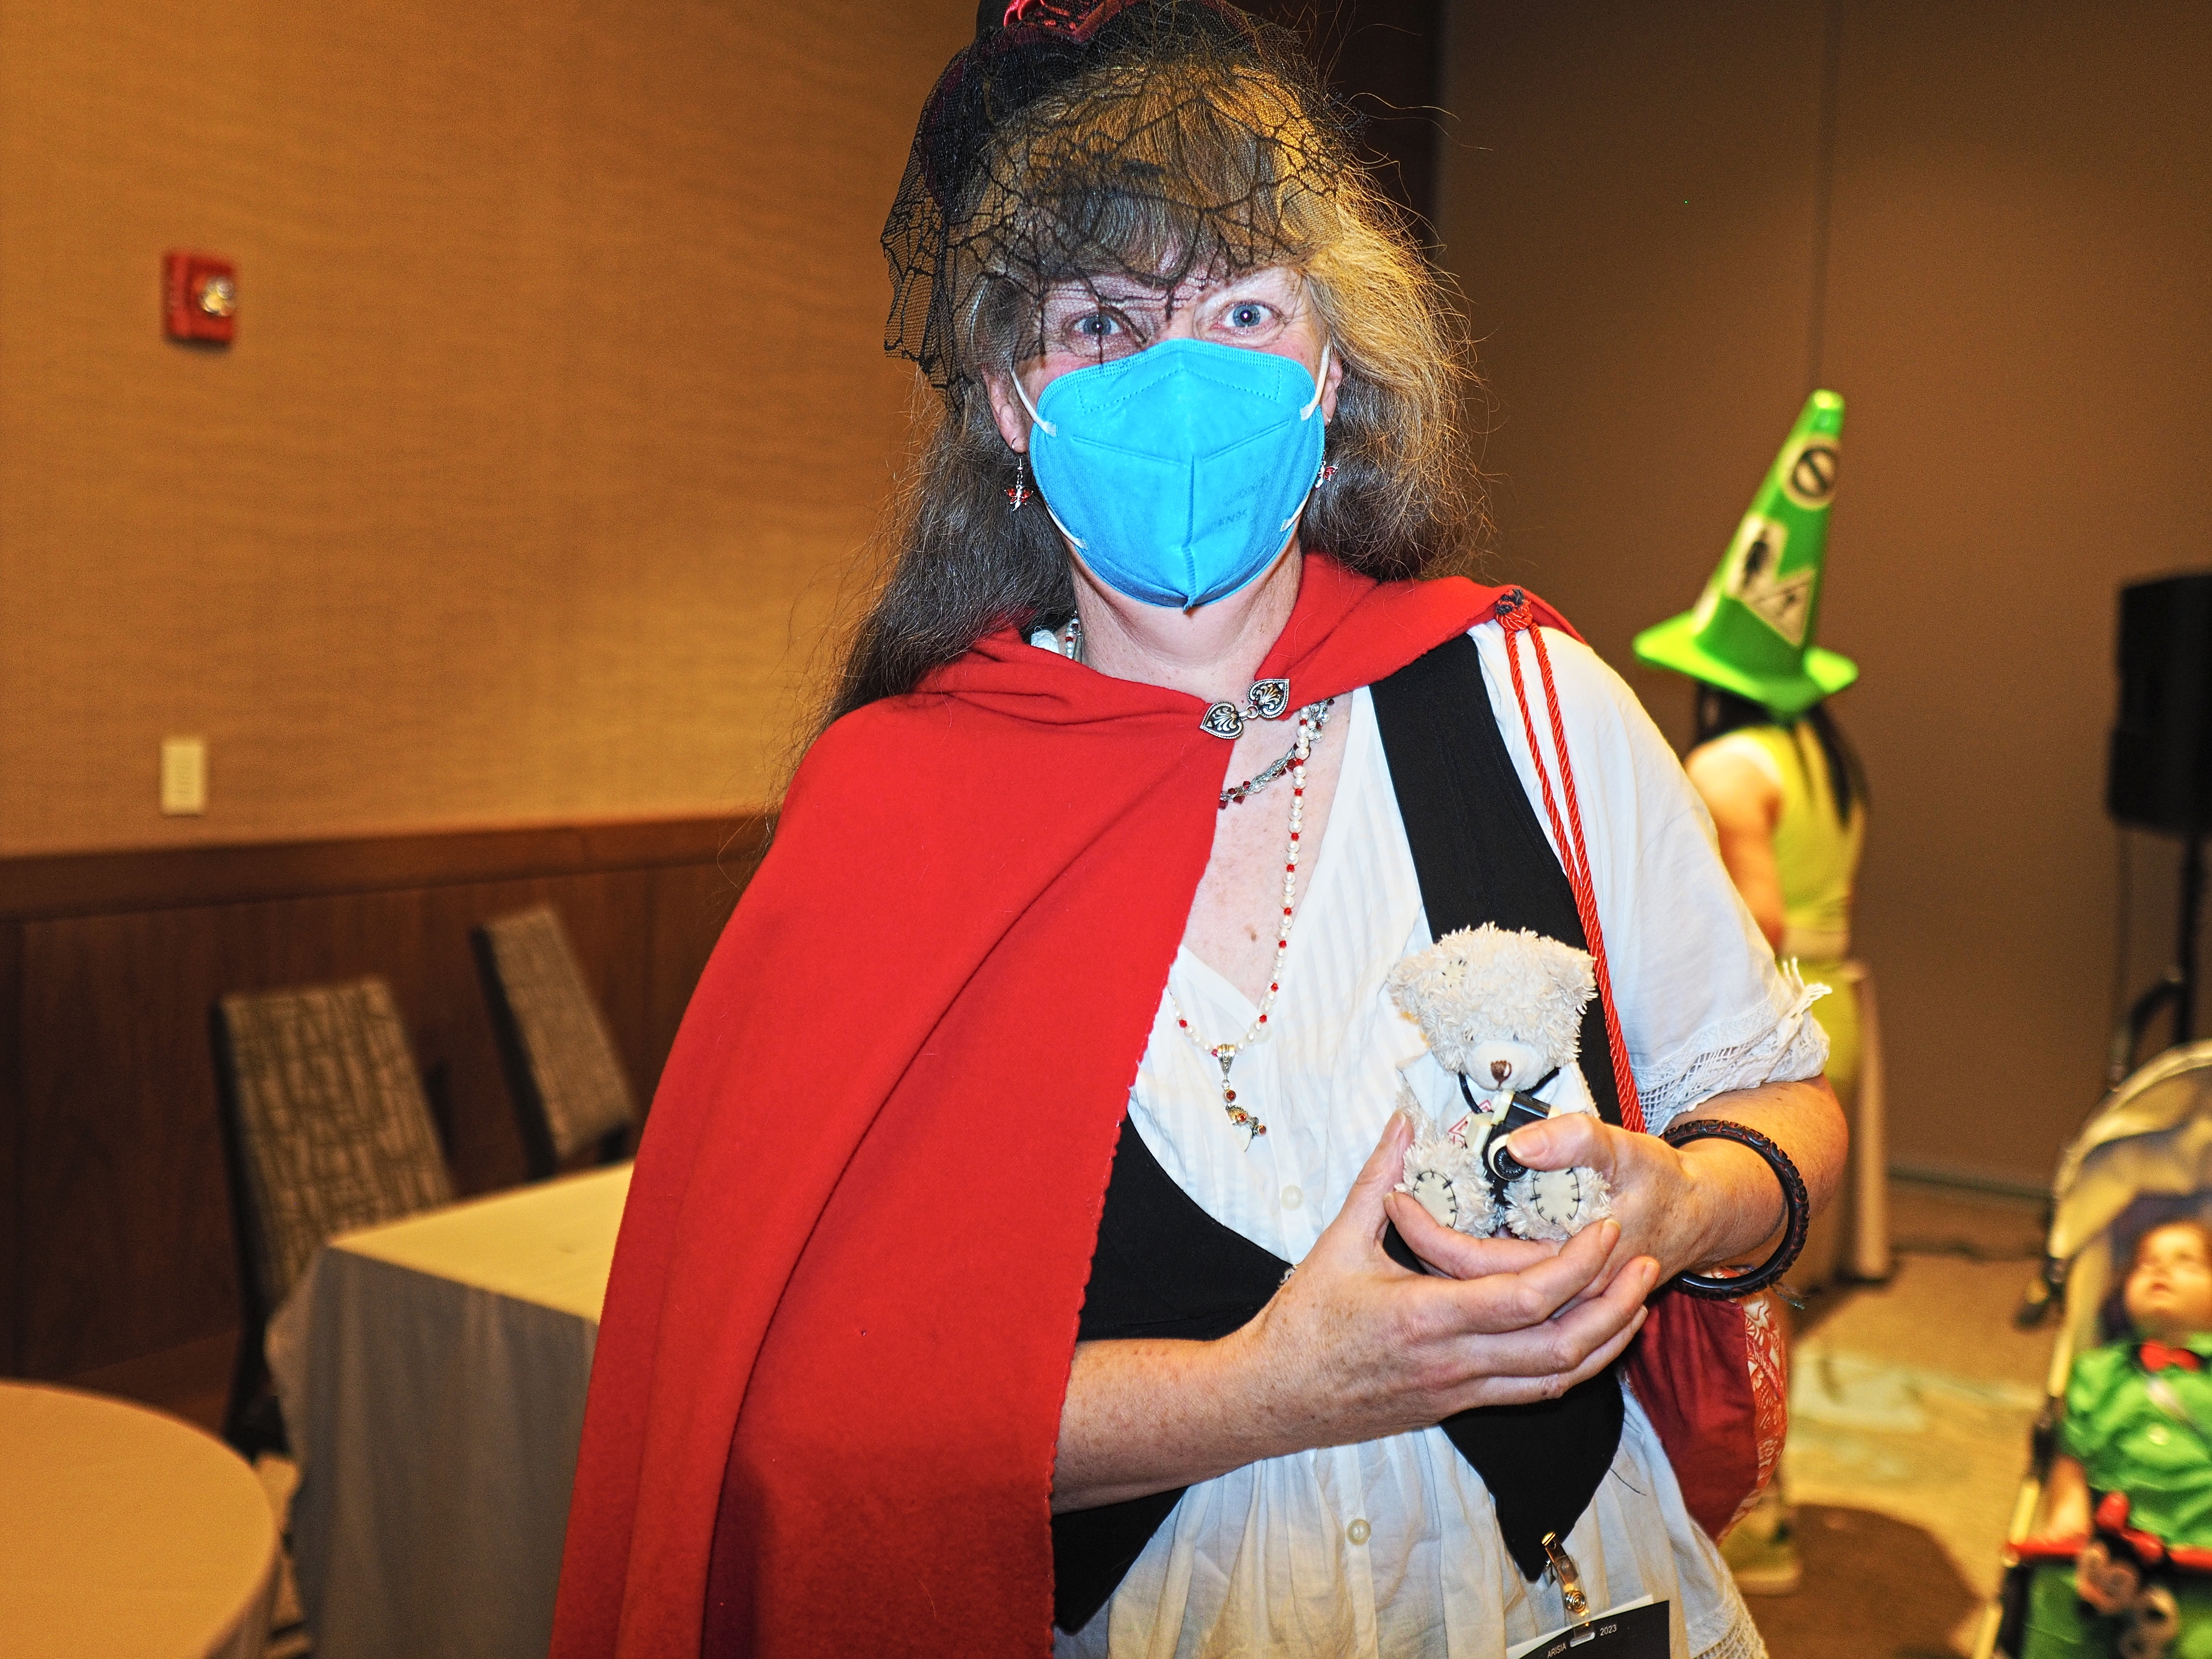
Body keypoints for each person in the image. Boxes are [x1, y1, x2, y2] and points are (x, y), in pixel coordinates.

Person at [550, 5, 1847, 1657]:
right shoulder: (893, 807)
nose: (1179, 378)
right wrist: (1258, 1391)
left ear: (1331, 365)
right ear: (1010, 398)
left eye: (1241, 307)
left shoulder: (1532, 696)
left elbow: (1782, 1111)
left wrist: (1682, 1209)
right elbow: (799, 1430)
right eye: (1102, 322)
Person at [1634, 393, 1867, 1597]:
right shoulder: (1824, 757)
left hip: (1774, 1022)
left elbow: (1755, 923)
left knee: (1741, 1280)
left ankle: (1756, 1518)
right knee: (1791, 1272)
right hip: (1848, 1003)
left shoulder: (1726, 762)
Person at [2019, 1219, 2212, 1658]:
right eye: (2146, 1263)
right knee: (2055, 1596)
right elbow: (2073, 1457)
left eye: (2187, 1263)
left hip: (2202, 1558)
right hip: (2107, 1552)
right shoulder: (2099, 1372)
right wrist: (2068, 1516)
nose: (2161, 1270)